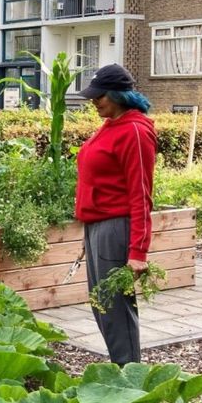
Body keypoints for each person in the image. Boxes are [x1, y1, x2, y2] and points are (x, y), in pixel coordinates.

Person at [75, 64, 157, 365]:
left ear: (118, 94)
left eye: (100, 96)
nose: (94, 102)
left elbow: (141, 194)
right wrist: (90, 232)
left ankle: (130, 377)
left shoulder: (135, 131)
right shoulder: (112, 124)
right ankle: (121, 368)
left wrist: (138, 251)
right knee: (102, 306)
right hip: (98, 226)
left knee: (116, 309)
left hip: (116, 227)